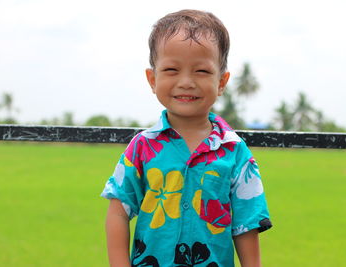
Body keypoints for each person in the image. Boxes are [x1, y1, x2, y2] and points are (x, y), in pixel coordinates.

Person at [101, 9, 272, 267]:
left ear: (222, 81)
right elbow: (117, 212)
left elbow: (246, 224)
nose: (186, 82)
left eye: (201, 71)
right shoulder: (142, 147)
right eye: (171, 69)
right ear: (152, 78)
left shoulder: (235, 152)